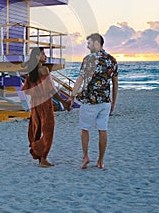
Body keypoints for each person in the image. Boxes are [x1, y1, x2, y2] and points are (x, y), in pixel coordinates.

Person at [71, 33, 118, 169]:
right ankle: (100, 161)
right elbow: (115, 83)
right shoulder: (112, 60)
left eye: (89, 43)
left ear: (97, 43)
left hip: (90, 101)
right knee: (103, 130)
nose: (87, 46)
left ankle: (85, 157)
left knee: (84, 129)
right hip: (105, 102)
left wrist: (72, 95)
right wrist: (114, 102)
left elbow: (80, 79)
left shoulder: (88, 59)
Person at [21, 47, 72, 167]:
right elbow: (51, 90)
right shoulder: (44, 70)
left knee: (36, 128)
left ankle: (39, 155)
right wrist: (63, 102)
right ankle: (43, 159)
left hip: (34, 103)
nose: (46, 56)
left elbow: (26, 89)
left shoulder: (31, 72)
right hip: (44, 103)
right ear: (37, 57)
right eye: (43, 54)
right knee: (48, 130)